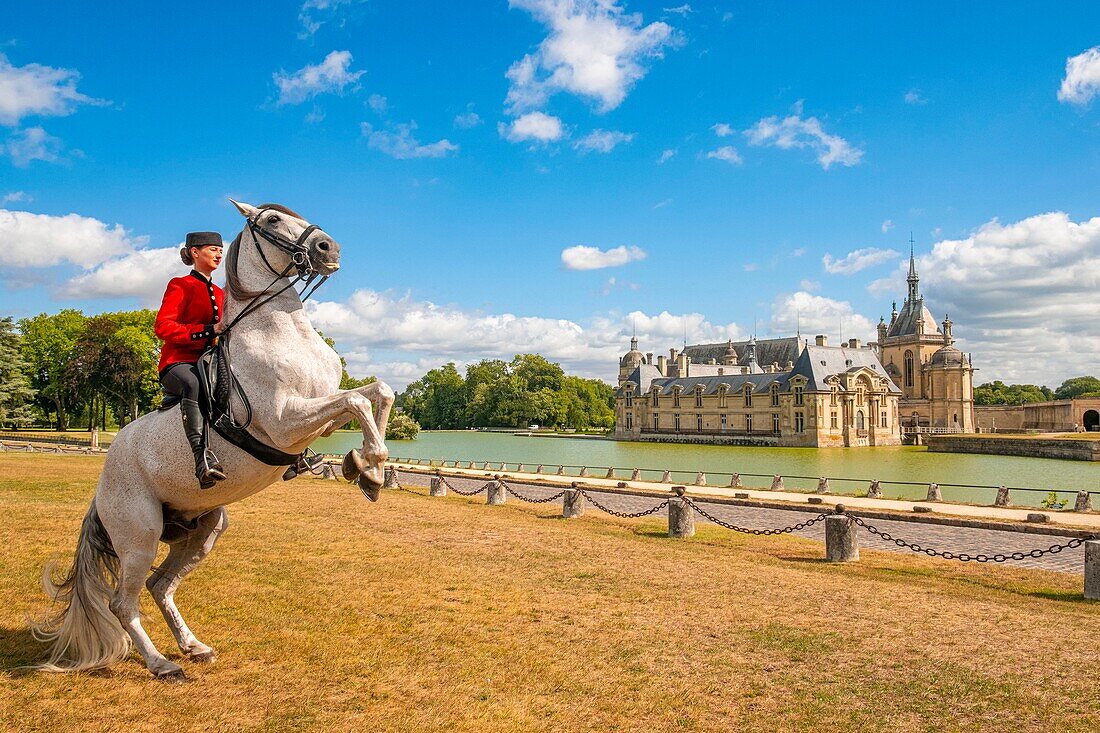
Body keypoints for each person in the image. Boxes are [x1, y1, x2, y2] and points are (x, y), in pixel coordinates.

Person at [154, 231, 228, 489]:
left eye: (220, 249)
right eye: (212, 249)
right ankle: (202, 460)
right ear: (195, 252)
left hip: (211, 363)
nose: (219, 254)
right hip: (178, 363)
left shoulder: (220, 292)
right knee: (194, 384)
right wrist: (208, 330)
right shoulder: (180, 285)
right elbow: (163, 327)